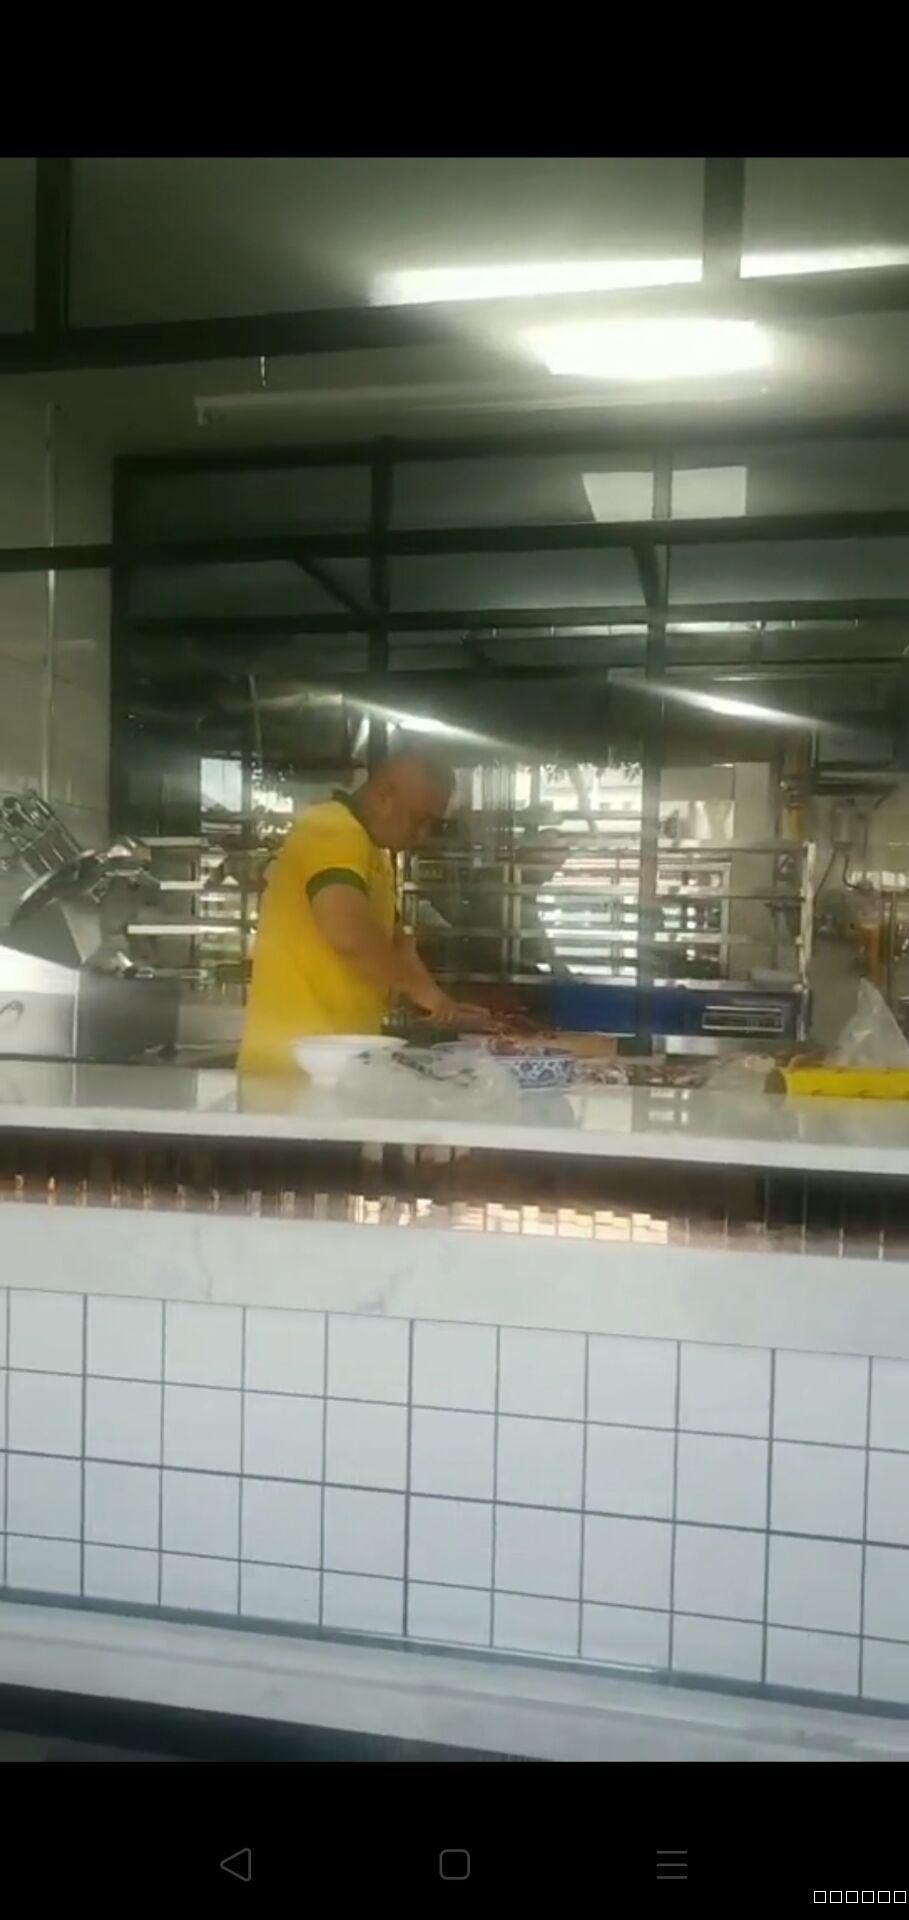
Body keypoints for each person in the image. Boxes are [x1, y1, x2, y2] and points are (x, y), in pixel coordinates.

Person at [238, 750, 491, 1074]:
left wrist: (442, 1005)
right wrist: (421, 991)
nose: (423, 835)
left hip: (338, 1061)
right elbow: (347, 932)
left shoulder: (374, 854)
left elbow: (398, 945)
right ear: (385, 795)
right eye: (419, 819)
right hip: (293, 1067)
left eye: (433, 824)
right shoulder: (333, 828)